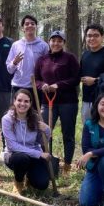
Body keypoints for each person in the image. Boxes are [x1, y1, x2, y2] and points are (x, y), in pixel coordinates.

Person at [34, 30, 80, 175]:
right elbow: (35, 80)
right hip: (47, 103)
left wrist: (58, 85)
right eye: (53, 40)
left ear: (63, 43)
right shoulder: (42, 60)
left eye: (59, 41)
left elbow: (76, 78)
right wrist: (43, 86)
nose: (56, 43)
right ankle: (47, 163)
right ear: (49, 42)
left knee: (68, 134)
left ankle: (67, 165)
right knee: (45, 133)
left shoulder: (70, 58)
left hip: (68, 103)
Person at [1, 89, 52, 195]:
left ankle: (29, 176)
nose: (22, 104)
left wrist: (47, 130)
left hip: (33, 155)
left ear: (30, 103)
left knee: (42, 184)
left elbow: (41, 141)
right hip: (14, 155)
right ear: (14, 101)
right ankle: (18, 181)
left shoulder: (35, 118)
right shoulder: (7, 119)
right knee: (21, 158)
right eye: (19, 100)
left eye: (26, 101)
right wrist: (39, 154)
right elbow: (12, 146)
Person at [6, 14, 49, 109]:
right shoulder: (16, 45)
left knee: (34, 117)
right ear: (23, 28)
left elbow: (47, 68)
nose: (30, 25)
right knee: (16, 115)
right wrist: (14, 62)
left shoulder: (43, 46)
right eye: (27, 24)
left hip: (35, 87)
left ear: (36, 27)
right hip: (18, 86)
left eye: (32, 24)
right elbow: (9, 70)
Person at [80, 23, 104, 121]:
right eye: (89, 36)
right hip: (87, 99)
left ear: (102, 37)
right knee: (89, 128)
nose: (92, 38)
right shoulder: (85, 54)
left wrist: (96, 80)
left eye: (96, 35)